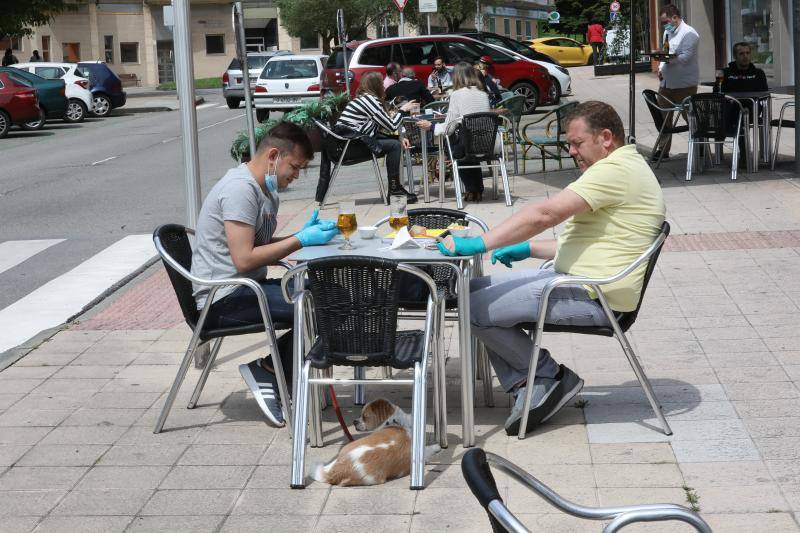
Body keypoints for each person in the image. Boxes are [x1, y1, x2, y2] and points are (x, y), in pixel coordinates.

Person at [438, 101, 665, 435]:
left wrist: (482, 243)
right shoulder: (625, 166)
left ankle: (547, 377)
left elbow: (545, 215)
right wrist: (528, 247)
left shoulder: (616, 169)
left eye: (576, 143)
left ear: (605, 137)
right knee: (469, 292)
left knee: (471, 306)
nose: (572, 151)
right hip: (585, 282)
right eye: (569, 145)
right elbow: (589, 246)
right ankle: (529, 385)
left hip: (595, 294)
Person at [191, 122, 339, 427]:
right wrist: (300, 240)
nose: (296, 176)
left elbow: (255, 245)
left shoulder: (265, 190)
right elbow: (244, 258)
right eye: (295, 166)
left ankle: (280, 371)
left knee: (334, 293)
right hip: (224, 299)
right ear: (273, 155)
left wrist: (300, 234)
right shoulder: (240, 190)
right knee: (325, 306)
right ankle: (271, 370)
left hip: (246, 288)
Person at [335, 71, 430, 203]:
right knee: (394, 146)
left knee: (395, 143)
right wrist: (403, 109)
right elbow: (391, 125)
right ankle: (394, 189)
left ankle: (395, 188)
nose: (384, 87)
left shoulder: (364, 98)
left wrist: (399, 137)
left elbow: (380, 127)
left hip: (345, 144)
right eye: (381, 84)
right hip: (349, 147)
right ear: (376, 86)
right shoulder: (370, 100)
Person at [434, 62, 495, 203]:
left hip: (468, 144)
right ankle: (476, 189)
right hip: (487, 143)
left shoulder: (456, 94)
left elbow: (449, 127)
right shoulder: (482, 93)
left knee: (452, 145)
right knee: (467, 150)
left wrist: (433, 127)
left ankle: (471, 188)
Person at [655, 4, 699, 160]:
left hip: (684, 86)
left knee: (690, 117)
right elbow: (666, 51)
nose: (664, 25)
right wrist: (660, 66)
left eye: (666, 21)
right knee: (664, 119)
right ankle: (663, 150)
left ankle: (698, 147)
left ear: (675, 17)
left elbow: (685, 58)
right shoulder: (668, 32)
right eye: (662, 22)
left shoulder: (689, 34)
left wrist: (666, 59)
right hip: (666, 84)